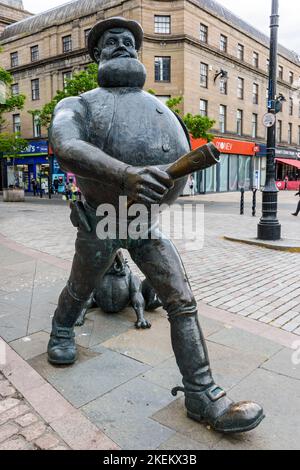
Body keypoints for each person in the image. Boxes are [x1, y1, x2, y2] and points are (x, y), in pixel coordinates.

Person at [47, 17, 264, 434]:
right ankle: (61, 330)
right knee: (80, 285)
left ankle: (202, 395)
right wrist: (126, 173)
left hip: (146, 221)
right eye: (113, 43)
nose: (124, 47)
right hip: (102, 219)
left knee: (181, 300)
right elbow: (66, 145)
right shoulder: (79, 103)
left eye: (130, 42)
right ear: (97, 55)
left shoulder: (158, 106)